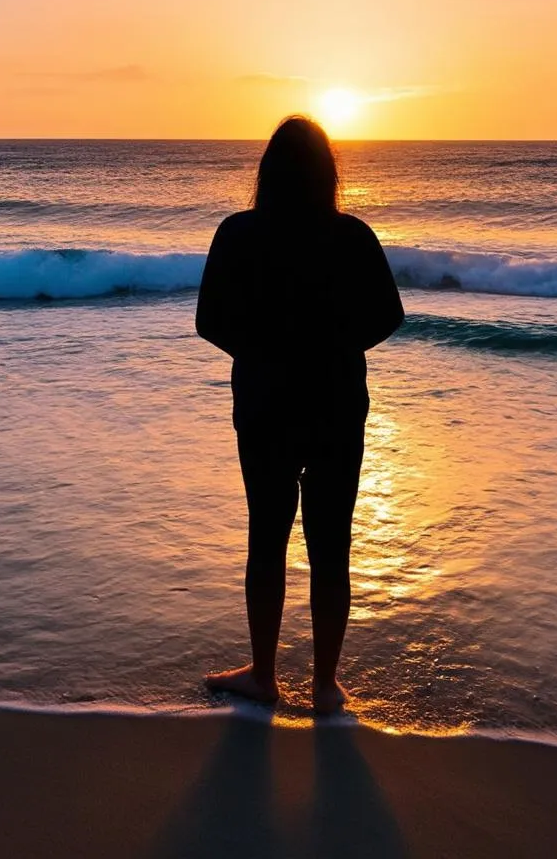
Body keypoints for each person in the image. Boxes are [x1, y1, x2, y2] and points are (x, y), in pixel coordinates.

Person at [195, 116, 404, 714]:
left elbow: (210, 320)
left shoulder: (238, 234)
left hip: (263, 404)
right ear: (328, 174)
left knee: (268, 538)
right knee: (330, 544)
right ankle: (325, 685)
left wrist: (261, 351)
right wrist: (337, 345)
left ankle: (263, 675)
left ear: (267, 172)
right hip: (337, 403)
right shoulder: (351, 236)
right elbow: (388, 315)